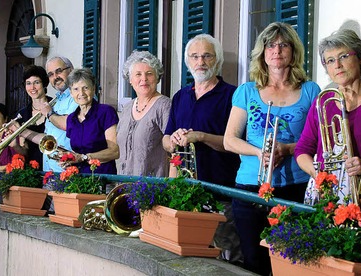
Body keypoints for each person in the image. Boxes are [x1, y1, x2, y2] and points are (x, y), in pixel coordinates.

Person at [223, 22, 320, 275]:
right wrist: (259, 152)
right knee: (254, 260)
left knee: (291, 261)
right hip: (250, 187)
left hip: (294, 186)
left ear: (293, 51)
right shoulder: (247, 91)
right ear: (262, 53)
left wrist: (287, 148)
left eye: (283, 44)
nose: (276, 50)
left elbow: (319, 142)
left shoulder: (310, 91)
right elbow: (229, 140)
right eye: (270, 45)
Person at [295, 29, 361, 204]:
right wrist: (318, 175)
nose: (337, 65)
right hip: (327, 197)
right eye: (330, 60)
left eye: (343, 56)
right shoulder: (322, 103)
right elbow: (302, 150)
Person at [161, 34, 242, 264]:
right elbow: (165, 139)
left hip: (221, 192)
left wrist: (201, 137)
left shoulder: (232, 95)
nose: (201, 62)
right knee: (190, 257)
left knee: (227, 256)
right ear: (188, 61)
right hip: (186, 192)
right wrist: (173, 140)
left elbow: (234, 144)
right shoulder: (180, 96)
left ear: (217, 60)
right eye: (195, 56)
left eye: (207, 56)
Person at [117, 51, 171, 177]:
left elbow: (173, 150)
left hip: (152, 189)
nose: (144, 79)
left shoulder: (164, 106)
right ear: (130, 79)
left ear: (157, 78)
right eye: (138, 74)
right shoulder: (127, 108)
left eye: (149, 74)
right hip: (124, 185)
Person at [58, 68, 119, 174]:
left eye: (85, 88)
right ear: (71, 93)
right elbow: (78, 153)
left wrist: (84, 157)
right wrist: (68, 158)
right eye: (76, 89)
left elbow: (114, 152)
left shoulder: (106, 112)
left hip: (103, 178)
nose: (81, 93)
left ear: (93, 88)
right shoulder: (71, 119)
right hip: (79, 179)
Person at [35, 56, 79, 172]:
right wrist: (20, 131)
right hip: (50, 172)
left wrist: (49, 113)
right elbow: (47, 138)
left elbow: (68, 124)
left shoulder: (79, 96)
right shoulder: (56, 101)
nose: (55, 77)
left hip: (69, 170)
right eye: (50, 74)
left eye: (59, 71)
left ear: (71, 70)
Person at [15, 65, 52, 166]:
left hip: (54, 163)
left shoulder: (55, 106)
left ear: (44, 83)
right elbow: (25, 151)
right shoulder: (22, 114)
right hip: (32, 168)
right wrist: (15, 145)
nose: (32, 88)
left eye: (36, 82)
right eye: (28, 83)